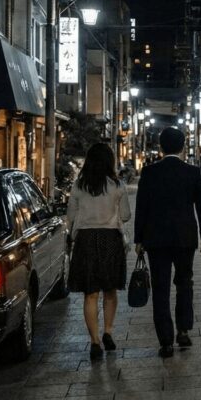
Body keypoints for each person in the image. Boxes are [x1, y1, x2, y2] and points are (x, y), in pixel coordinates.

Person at [134, 128, 201, 358]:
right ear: (183, 147)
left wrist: (139, 238)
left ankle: (166, 341)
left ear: (160, 147)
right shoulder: (192, 172)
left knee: (160, 288)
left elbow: (142, 208)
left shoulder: (149, 173)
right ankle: (184, 330)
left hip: (156, 239)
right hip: (185, 237)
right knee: (185, 283)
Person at [66, 143, 131, 361]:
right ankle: (108, 331)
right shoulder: (118, 185)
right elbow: (125, 215)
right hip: (110, 238)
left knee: (90, 293)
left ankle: (94, 341)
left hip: (85, 240)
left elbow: (71, 218)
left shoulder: (78, 186)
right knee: (110, 291)